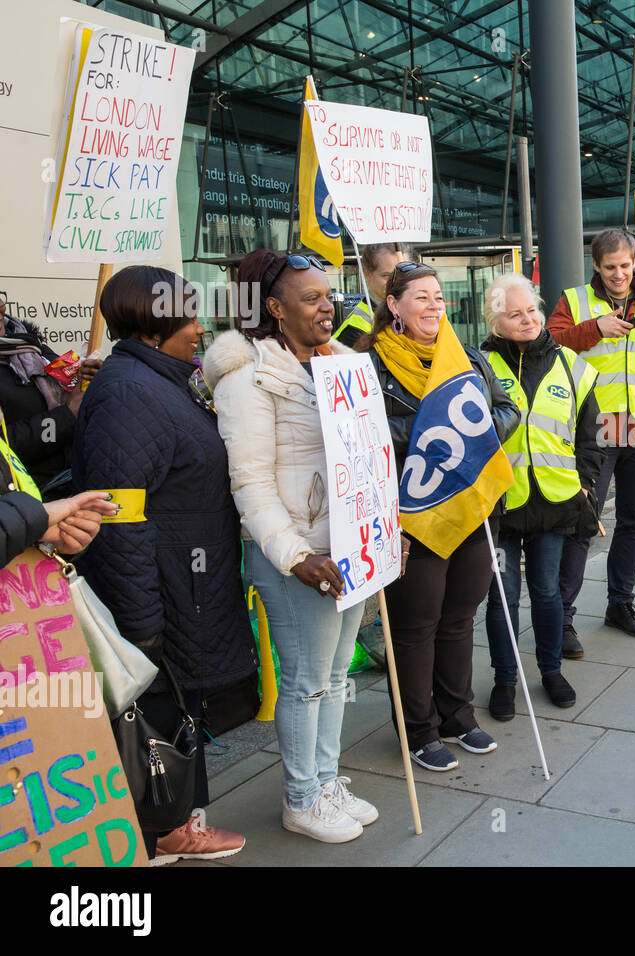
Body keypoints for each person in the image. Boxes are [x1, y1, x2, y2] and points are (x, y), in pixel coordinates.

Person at [72, 266, 256, 863]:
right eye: (189, 317)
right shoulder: (132, 392)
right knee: (161, 713)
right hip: (168, 592)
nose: (201, 329)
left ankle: (176, 823)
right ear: (155, 323)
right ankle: (165, 830)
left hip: (187, 582)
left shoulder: (154, 380)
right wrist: (142, 616)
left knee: (182, 707)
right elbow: (119, 515)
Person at [205, 250, 376, 845]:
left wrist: (379, 522)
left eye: (329, 295)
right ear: (274, 309)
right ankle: (301, 797)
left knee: (333, 675)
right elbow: (249, 481)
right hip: (298, 560)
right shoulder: (246, 379)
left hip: (349, 547)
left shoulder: (341, 366)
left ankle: (326, 781)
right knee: (306, 681)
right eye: (311, 298)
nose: (327, 306)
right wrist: (295, 555)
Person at [362, 262, 520, 771]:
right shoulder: (369, 364)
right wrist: (432, 439)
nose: (434, 306)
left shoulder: (466, 356)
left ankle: (457, 716)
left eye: (438, 297)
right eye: (422, 298)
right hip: (412, 516)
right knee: (416, 625)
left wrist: (469, 440)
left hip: (470, 509)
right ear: (394, 306)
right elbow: (370, 435)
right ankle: (418, 729)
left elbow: (508, 410)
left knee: (458, 619)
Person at [547, 228, 635, 649]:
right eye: (610, 267)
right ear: (596, 265)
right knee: (583, 524)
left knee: (633, 523)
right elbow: (549, 341)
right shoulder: (575, 301)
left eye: (625, 266)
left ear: (634, 263)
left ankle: (620, 604)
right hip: (595, 431)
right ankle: (563, 619)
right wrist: (594, 328)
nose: (618, 274)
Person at [479, 273, 601, 717]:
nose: (527, 319)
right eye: (514, 314)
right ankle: (504, 680)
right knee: (501, 597)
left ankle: (551, 671)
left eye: (531, 310)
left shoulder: (572, 365)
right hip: (502, 504)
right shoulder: (478, 365)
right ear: (496, 320)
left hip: (554, 501)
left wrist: (585, 482)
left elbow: (591, 434)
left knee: (547, 592)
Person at [0, 295, 102, 497]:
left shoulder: (26, 342)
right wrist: (67, 416)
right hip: (27, 501)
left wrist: (87, 376)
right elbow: (6, 444)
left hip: (73, 482)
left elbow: (65, 376)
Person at [332, 242, 414, 348]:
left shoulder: (416, 316)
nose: (397, 283)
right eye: (387, 276)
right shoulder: (353, 331)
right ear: (367, 273)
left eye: (405, 275)